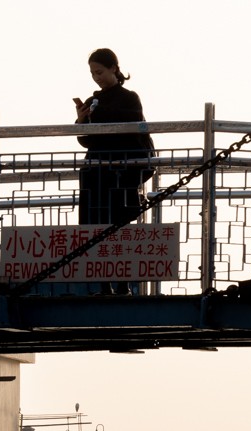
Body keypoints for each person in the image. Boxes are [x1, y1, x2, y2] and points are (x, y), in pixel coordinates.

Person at [75, 48, 155, 295]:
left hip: (123, 172)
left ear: (114, 69)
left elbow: (132, 123)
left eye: (99, 71)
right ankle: (104, 284)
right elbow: (86, 140)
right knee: (97, 229)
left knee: (123, 226)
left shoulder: (129, 97)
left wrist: (99, 113)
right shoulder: (93, 101)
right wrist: (81, 120)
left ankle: (124, 284)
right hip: (98, 171)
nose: (96, 77)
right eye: (92, 73)